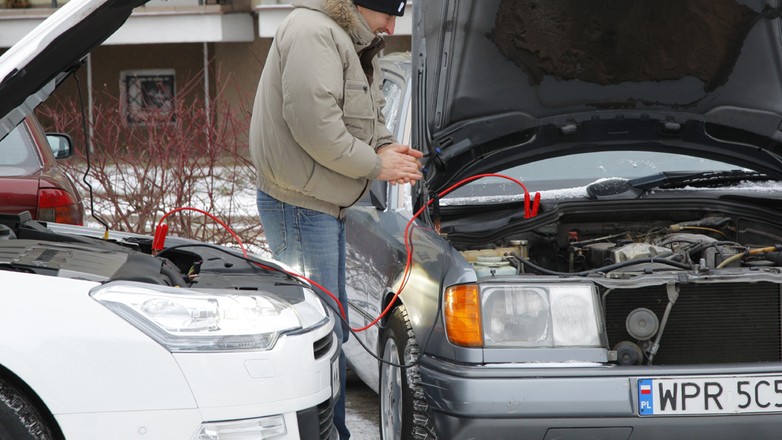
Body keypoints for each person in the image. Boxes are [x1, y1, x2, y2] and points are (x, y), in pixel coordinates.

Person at [248, 0, 423, 438]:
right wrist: (376, 165)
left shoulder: (351, 38)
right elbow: (315, 126)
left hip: (322, 204)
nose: (392, 24)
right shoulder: (314, 33)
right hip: (301, 207)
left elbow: (367, 113)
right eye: (388, 12)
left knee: (331, 329)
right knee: (317, 338)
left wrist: (385, 145)